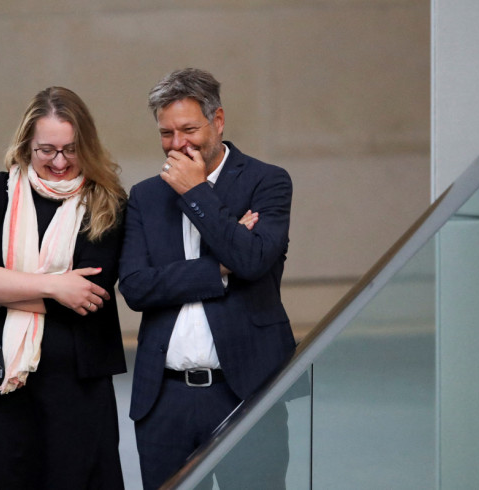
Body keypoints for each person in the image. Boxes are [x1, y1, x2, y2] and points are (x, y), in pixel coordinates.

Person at [118, 68, 296, 489]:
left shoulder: (267, 182)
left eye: (189, 129)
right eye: (166, 133)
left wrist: (196, 192)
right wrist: (217, 268)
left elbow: (251, 261)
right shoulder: (145, 196)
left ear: (218, 121)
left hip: (247, 393)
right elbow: (137, 288)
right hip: (164, 399)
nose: (177, 143)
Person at [0, 86, 127, 490]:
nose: (60, 162)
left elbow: (87, 297)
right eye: (47, 150)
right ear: (27, 143)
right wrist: (54, 286)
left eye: (71, 149)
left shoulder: (107, 202)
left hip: (77, 389)